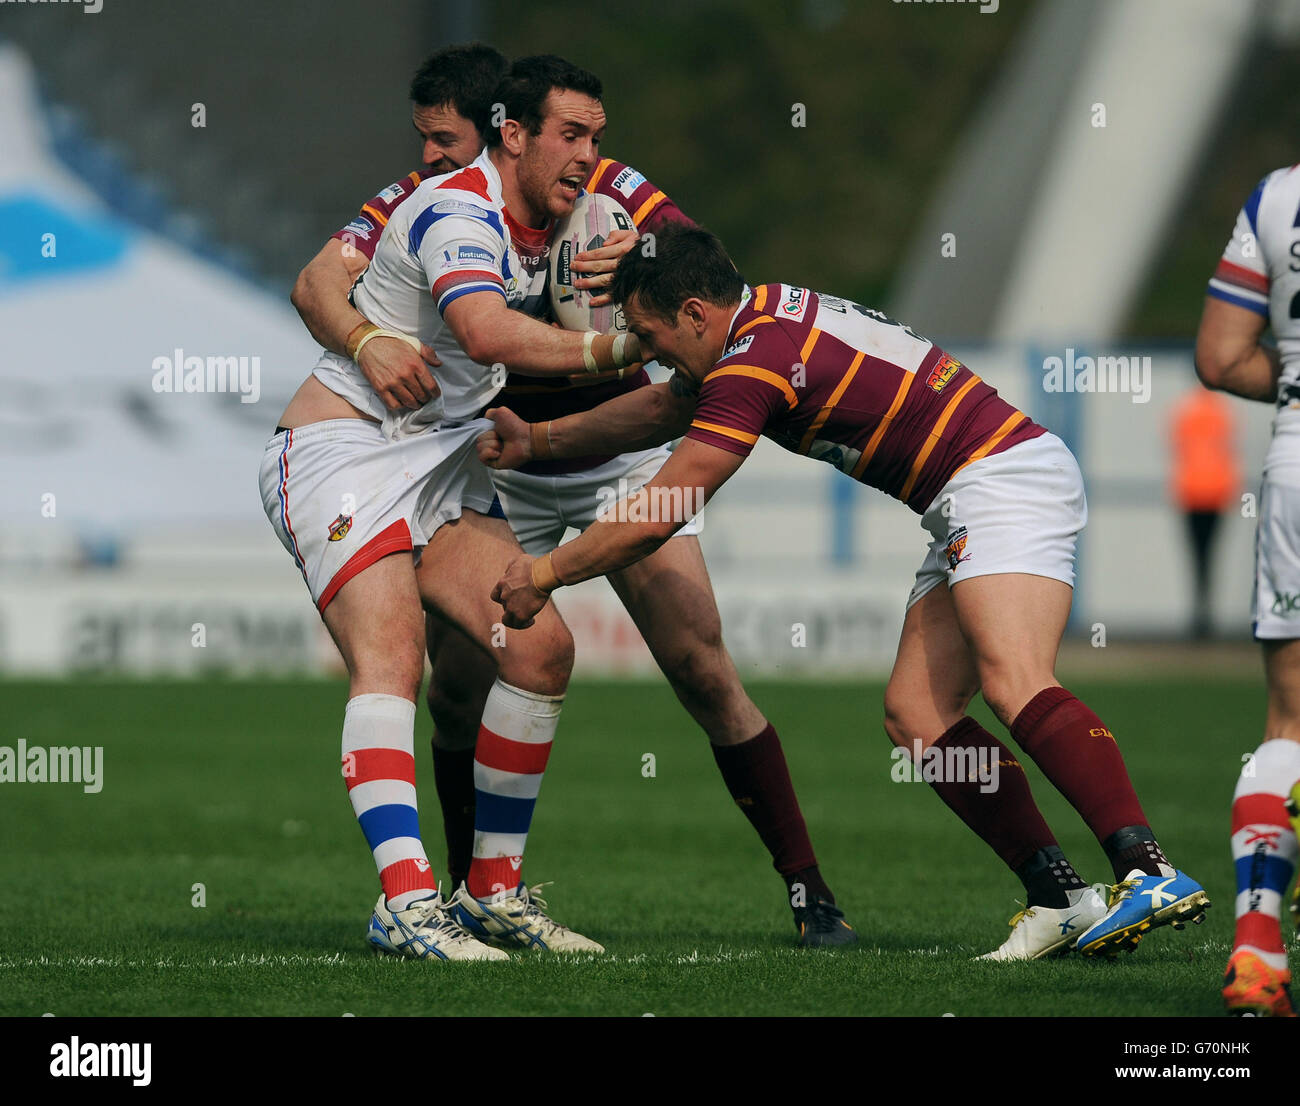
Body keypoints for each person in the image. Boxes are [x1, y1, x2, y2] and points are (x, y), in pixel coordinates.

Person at [482, 223, 1211, 960]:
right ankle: (1059, 896)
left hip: (1001, 480)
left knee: (1015, 679)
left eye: (649, 334)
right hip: (970, 491)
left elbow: (667, 502)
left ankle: (1148, 869)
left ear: (696, 314)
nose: (648, 353)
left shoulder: (752, 361)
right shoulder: (756, 324)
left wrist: (545, 573)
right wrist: (539, 442)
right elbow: (662, 410)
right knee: (918, 713)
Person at [292, 44, 855, 947]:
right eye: (425, 141)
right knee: (452, 688)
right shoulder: (426, 202)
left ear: (498, 134)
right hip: (486, 464)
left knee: (700, 667)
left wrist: (651, 262)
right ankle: (451, 893)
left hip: (610, 457)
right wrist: (364, 338)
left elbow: (707, 280)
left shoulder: (609, 191)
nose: (429, 157)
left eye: (444, 140)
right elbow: (320, 283)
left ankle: (809, 892)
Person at [259, 54, 645, 960]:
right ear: (513, 135)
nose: (590, 155)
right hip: (341, 450)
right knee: (393, 660)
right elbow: (480, 329)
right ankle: (403, 903)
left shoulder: (568, 214)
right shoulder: (453, 207)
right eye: (572, 136)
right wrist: (621, 350)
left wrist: (647, 269)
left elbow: (664, 254)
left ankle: (492, 894)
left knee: (541, 649)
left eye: (597, 137)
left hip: (440, 459)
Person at [1196, 162, 1300, 1016]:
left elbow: (1221, 358)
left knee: (1290, 724)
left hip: (1295, 468)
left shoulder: (1276, 197)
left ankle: (1257, 955)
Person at [1169, 386, 1239, 639]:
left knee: (1197, 556)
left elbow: (1177, 447)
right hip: (1217, 492)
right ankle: (1205, 615)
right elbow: (1229, 448)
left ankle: (1200, 615)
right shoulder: (1222, 411)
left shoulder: (1185, 411)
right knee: (1210, 556)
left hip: (1191, 492)